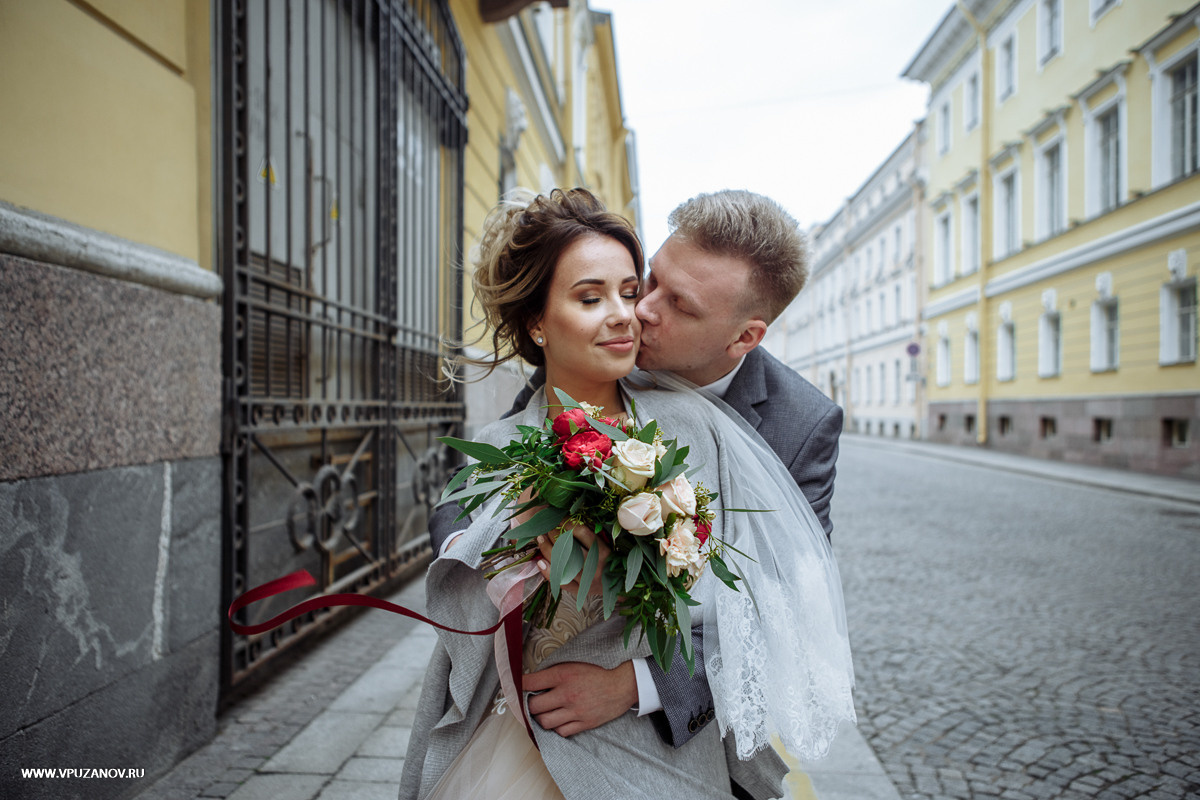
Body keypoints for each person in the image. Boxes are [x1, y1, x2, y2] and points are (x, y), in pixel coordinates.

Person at [400, 188, 854, 800]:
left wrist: (634, 685)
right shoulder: (599, 354)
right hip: (533, 720)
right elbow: (496, 468)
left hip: (675, 724)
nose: (638, 313)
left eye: (676, 304)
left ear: (743, 337)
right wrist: (514, 544)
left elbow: (783, 617)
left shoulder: (797, 427)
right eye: (650, 282)